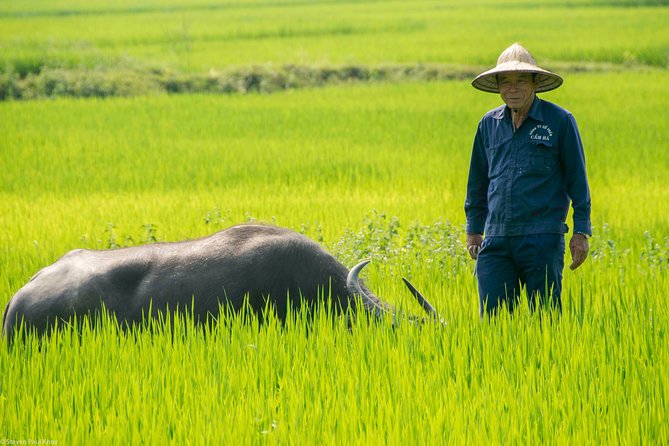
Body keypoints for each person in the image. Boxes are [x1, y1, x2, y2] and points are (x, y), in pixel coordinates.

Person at [465, 43, 591, 317]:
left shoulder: (559, 121)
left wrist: (581, 231)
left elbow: (577, 182)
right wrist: (474, 229)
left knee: (544, 320)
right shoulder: (488, 124)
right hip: (496, 240)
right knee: (493, 323)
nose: (513, 88)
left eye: (521, 80)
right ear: (498, 86)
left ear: (535, 82)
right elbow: (477, 182)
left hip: (542, 238)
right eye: (505, 81)